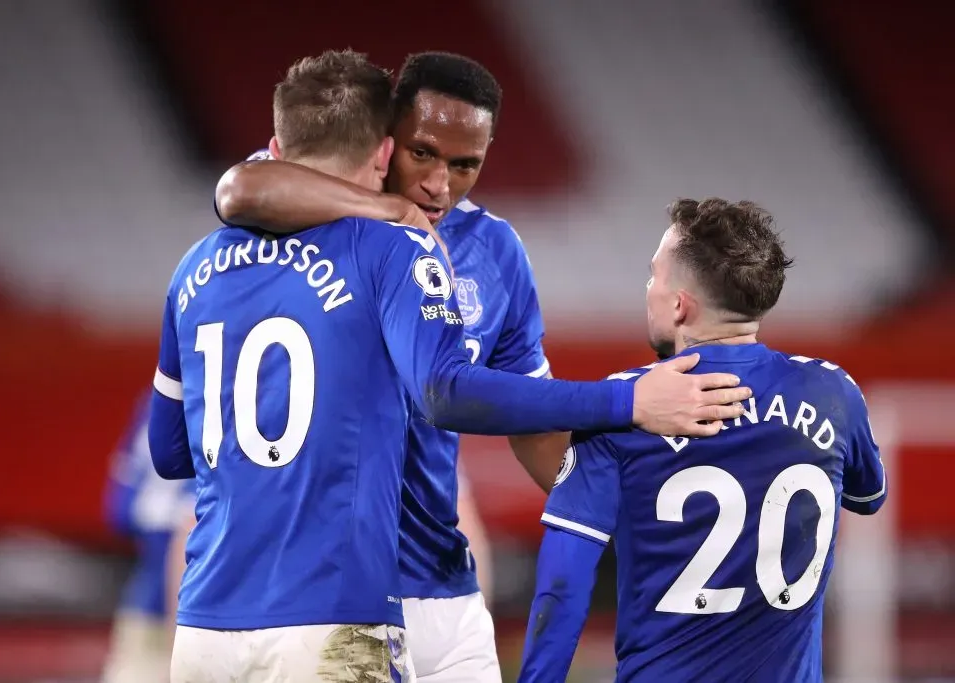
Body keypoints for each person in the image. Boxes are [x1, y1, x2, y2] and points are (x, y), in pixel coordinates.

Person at [148, 51, 750, 683]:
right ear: (384, 144)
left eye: (465, 165)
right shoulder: (317, 219)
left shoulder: (495, 252)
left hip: (437, 590)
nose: (439, 184)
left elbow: (534, 429)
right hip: (343, 591)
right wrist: (385, 210)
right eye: (423, 154)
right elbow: (239, 187)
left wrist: (636, 531)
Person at [519, 199, 888, 682]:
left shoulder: (622, 409)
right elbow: (869, 497)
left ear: (679, 305)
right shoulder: (834, 394)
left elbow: (563, 583)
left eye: (653, 275)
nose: (648, 289)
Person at [100, 391, 193, 683]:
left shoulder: (158, 400)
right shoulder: (157, 403)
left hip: (197, 614)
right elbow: (117, 510)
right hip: (158, 608)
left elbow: (120, 512)